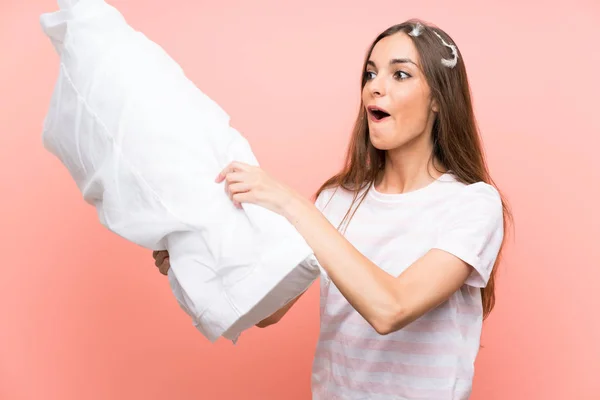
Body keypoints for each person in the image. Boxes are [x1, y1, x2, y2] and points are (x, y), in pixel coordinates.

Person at [152, 18, 512, 399]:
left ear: (438, 98)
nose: (375, 86)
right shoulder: (337, 200)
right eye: (370, 73)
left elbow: (391, 308)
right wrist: (194, 255)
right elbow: (268, 311)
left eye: (400, 74)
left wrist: (290, 203)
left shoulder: (472, 205)